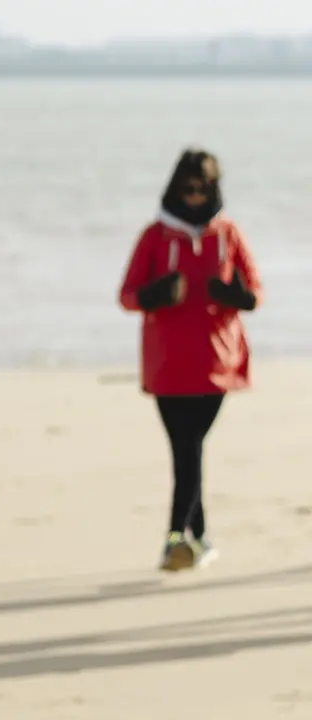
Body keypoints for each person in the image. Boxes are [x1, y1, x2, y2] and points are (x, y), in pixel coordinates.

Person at [119, 148, 262, 573]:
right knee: (188, 451)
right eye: (188, 188)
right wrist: (155, 295)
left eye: (203, 189)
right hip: (167, 365)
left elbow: (256, 291)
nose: (195, 197)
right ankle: (192, 538)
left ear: (214, 188)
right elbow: (127, 295)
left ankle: (179, 539)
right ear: (175, 188)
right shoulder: (155, 237)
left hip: (218, 363)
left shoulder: (229, 234)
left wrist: (236, 296)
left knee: (190, 450)